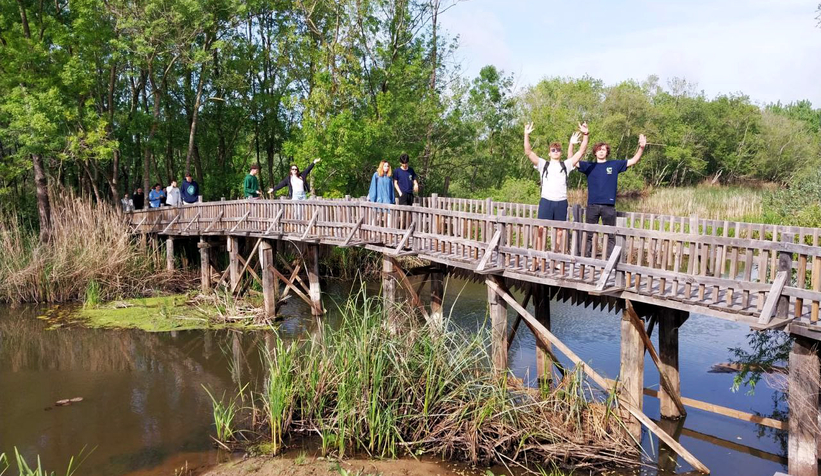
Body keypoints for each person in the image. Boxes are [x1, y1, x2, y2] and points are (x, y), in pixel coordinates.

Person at [577, 134, 648, 256]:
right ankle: (587, 257)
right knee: (589, 233)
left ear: (607, 152)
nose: (601, 152)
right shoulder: (589, 166)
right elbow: (572, 161)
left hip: (608, 206)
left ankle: (611, 259)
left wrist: (641, 147)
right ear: (595, 152)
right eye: (599, 150)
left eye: (603, 150)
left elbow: (634, 160)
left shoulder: (614, 165)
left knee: (610, 234)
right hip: (592, 205)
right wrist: (573, 144)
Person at [524, 121, 589, 222]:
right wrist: (526, 134)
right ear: (549, 153)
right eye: (553, 150)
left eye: (558, 150)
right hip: (546, 200)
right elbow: (528, 152)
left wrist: (585, 134)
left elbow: (581, 151)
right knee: (542, 228)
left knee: (560, 229)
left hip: (561, 201)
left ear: (561, 153)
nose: (555, 152)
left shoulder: (566, 165)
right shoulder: (543, 164)